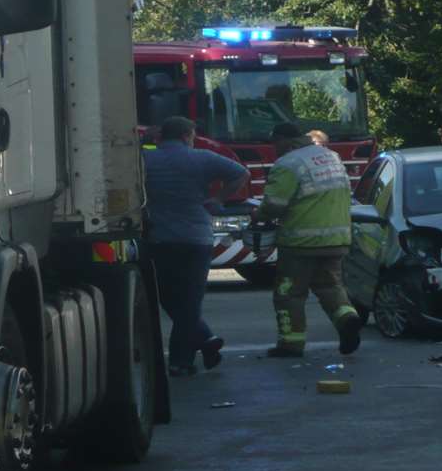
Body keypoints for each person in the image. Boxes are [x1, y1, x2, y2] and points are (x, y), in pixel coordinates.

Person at [142, 116, 248, 375]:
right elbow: (241, 173)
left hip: (159, 238)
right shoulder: (202, 158)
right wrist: (217, 199)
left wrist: (145, 140)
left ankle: (203, 342)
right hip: (196, 238)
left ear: (162, 136)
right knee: (190, 301)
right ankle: (185, 357)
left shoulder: (146, 159)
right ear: (187, 135)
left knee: (167, 296)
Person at [252, 122, 362, 357]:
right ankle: (348, 319)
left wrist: (258, 214)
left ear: (285, 141)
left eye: (275, 143)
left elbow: (274, 205)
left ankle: (291, 344)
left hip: (300, 243)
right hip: (337, 238)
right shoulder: (330, 156)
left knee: (289, 293)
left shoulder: (288, 163)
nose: (274, 148)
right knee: (330, 286)